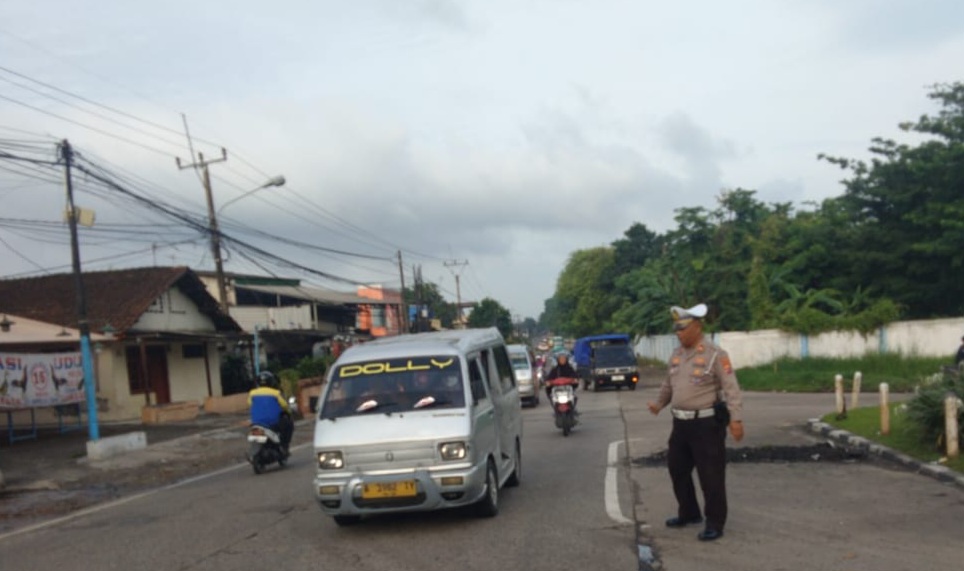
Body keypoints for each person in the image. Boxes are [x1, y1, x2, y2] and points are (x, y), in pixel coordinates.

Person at [646, 303, 744, 542]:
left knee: (711, 475)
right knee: (677, 468)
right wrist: (659, 404)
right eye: (676, 329)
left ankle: (715, 522)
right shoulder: (677, 355)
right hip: (681, 424)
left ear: (697, 327)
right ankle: (689, 513)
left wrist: (736, 419)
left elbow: (731, 388)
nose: (678, 333)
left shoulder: (715, 354)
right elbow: (668, 385)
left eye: (683, 329)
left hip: (706, 425)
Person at [248, 371, 294, 456]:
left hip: (256, 422)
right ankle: (284, 446)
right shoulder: (275, 393)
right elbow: (284, 405)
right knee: (288, 425)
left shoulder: (252, 393)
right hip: (272, 422)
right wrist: (288, 411)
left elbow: (250, 404)